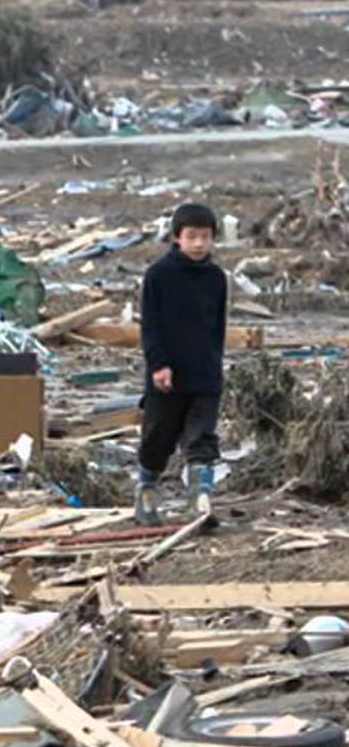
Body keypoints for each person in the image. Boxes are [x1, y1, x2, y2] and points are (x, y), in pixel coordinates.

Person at [136, 202, 227, 526]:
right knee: (159, 437)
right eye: (192, 237)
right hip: (167, 375)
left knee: (202, 438)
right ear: (177, 237)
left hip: (205, 373)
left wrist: (215, 367)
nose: (199, 244)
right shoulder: (159, 275)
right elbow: (151, 326)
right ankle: (146, 493)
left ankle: (201, 502)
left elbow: (217, 327)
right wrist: (159, 364)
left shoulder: (216, 278)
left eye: (205, 237)